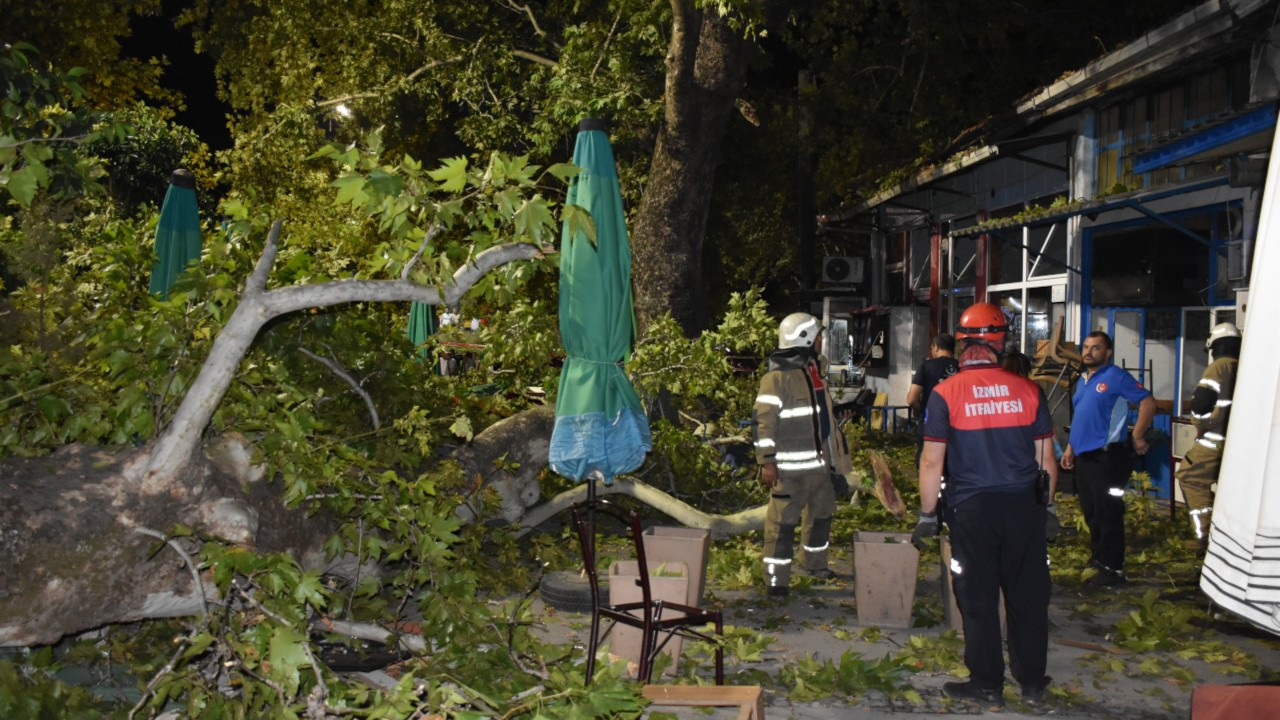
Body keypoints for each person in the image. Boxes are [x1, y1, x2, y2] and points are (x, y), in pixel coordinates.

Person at [910, 302, 1058, 709]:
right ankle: (1032, 686)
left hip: (971, 510)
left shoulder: (944, 394)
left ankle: (987, 685)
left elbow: (931, 461)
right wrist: (1047, 508)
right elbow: (1045, 459)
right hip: (1024, 508)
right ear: (1001, 342)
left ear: (961, 343)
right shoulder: (1029, 391)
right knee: (1027, 596)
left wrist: (927, 514)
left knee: (977, 598)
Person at [752, 312, 854, 598]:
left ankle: (814, 565)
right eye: (818, 336)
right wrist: (767, 461)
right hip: (789, 472)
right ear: (805, 339)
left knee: (821, 517)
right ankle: (776, 581)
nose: (821, 341)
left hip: (820, 467)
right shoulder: (776, 379)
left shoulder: (814, 370)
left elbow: (821, 416)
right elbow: (764, 423)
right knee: (782, 527)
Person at [1060, 331, 1155, 587]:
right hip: (1083, 458)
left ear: (1108, 352)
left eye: (1096, 348)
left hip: (1107, 459)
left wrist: (1137, 435)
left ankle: (1114, 568)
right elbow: (1081, 417)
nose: (1089, 352)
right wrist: (1070, 449)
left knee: (1108, 513)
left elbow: (1147, 401)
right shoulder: (1083, 379)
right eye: (1087, 347)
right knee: (1091, 512)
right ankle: (1100, 559)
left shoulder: (1116, 377)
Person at [1177, 322, 1240, 547]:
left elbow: (1202, 404)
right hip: (1238, 443)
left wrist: (1199, 424)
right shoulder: (1244, 366)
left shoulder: (1218, 367)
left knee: (1189, 477)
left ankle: (1206, 535)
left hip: (1213, 441)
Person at [907, 334, 958, 465]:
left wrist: (921, 410)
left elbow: (912, 399)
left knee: (927, 462)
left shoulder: (926, 366)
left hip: (930, 423)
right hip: (957, 426)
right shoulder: (962, 368)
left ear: (936, 347)